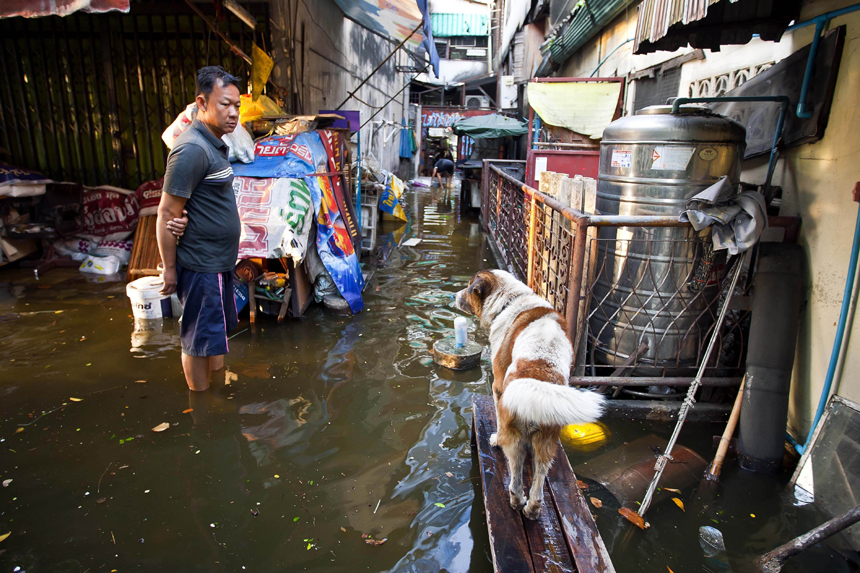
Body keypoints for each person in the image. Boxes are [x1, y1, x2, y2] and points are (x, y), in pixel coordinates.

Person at [156, 66, 242, 392]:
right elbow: (166, 211)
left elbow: (195, 201)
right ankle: (202, 408)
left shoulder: (214, 144)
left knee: (213, 333)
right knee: (197, 339)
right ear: (202, 103)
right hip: (201, 263)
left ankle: (217, 392)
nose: (233, 113)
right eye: (224, 104)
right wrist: (168, 270)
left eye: (236, 105)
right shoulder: (192, 149)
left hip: (217, 262)